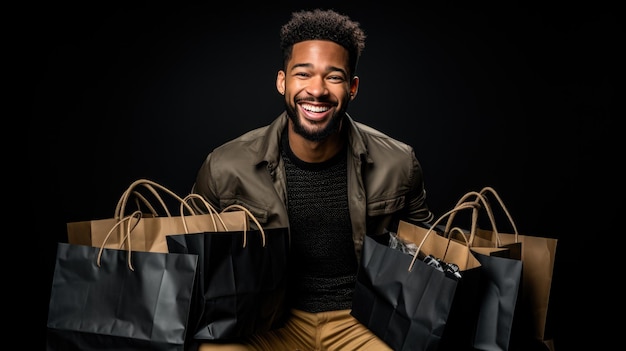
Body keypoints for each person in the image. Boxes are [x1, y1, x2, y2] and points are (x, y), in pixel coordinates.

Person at [192, 8, 434, 351]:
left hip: (361, 322)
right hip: (268, 321)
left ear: (352, 87)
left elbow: (428, 256)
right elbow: (192, 267)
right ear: (282, 81)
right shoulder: (224, 166)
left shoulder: (398, 163)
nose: (317, 90)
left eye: (333, 77)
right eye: (303, 74)